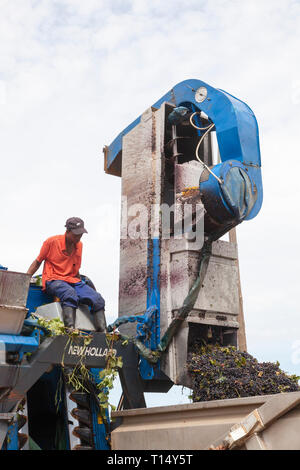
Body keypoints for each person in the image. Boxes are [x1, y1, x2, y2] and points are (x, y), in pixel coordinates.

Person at [27, 217, 106, 332]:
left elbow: (75, 268)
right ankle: (70, 329)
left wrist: (83, 289)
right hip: (53, 280)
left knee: (97, 299)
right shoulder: (51, 242)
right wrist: (25, 280)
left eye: (81, 234)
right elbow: (37, 262)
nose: (79, 237)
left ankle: (103, 333)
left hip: (72, 280)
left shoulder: (79, 245)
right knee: (69, 293)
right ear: (67, 231)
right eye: (76, 234)